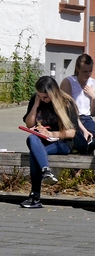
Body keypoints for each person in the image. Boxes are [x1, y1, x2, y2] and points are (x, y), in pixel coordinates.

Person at [20, 76, 80, 208]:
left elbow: (72, 132)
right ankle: (46, 171)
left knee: (35, 155)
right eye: (39, 96)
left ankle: (35, 196)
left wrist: (52, 134)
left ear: (52, 93)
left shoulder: (66, 103)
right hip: (42, 142)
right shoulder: (37, 100)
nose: (42, 99)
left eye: (45, 97)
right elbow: (29, 123)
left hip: (62, 143)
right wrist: (36, 105)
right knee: (31, 138)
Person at [59, 54, 95, 150]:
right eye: (85, 71)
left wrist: (94, 97)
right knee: (82, 140)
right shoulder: (68, 82)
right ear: (77, 69)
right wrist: (83, 129)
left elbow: (93, 113)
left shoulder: (92, 83)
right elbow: (69, 110)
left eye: (90, 71)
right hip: (72, 119)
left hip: (86, 118)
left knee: (91, 138)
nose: (88, 74)